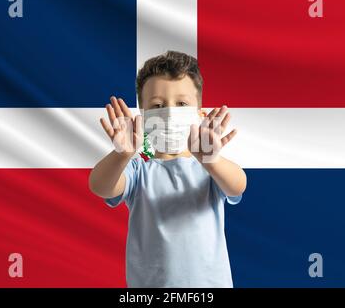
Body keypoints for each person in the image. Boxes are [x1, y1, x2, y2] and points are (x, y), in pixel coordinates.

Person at [89, 50, 247, 287]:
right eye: (158, 105)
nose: (171, 112)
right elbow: (101, 186)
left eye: (182, 103)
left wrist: (211, 161)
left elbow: (238, 185)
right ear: (142, 118)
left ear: (200, 114)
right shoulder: (138, 171)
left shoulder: (210, 169)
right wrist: (122, 155)